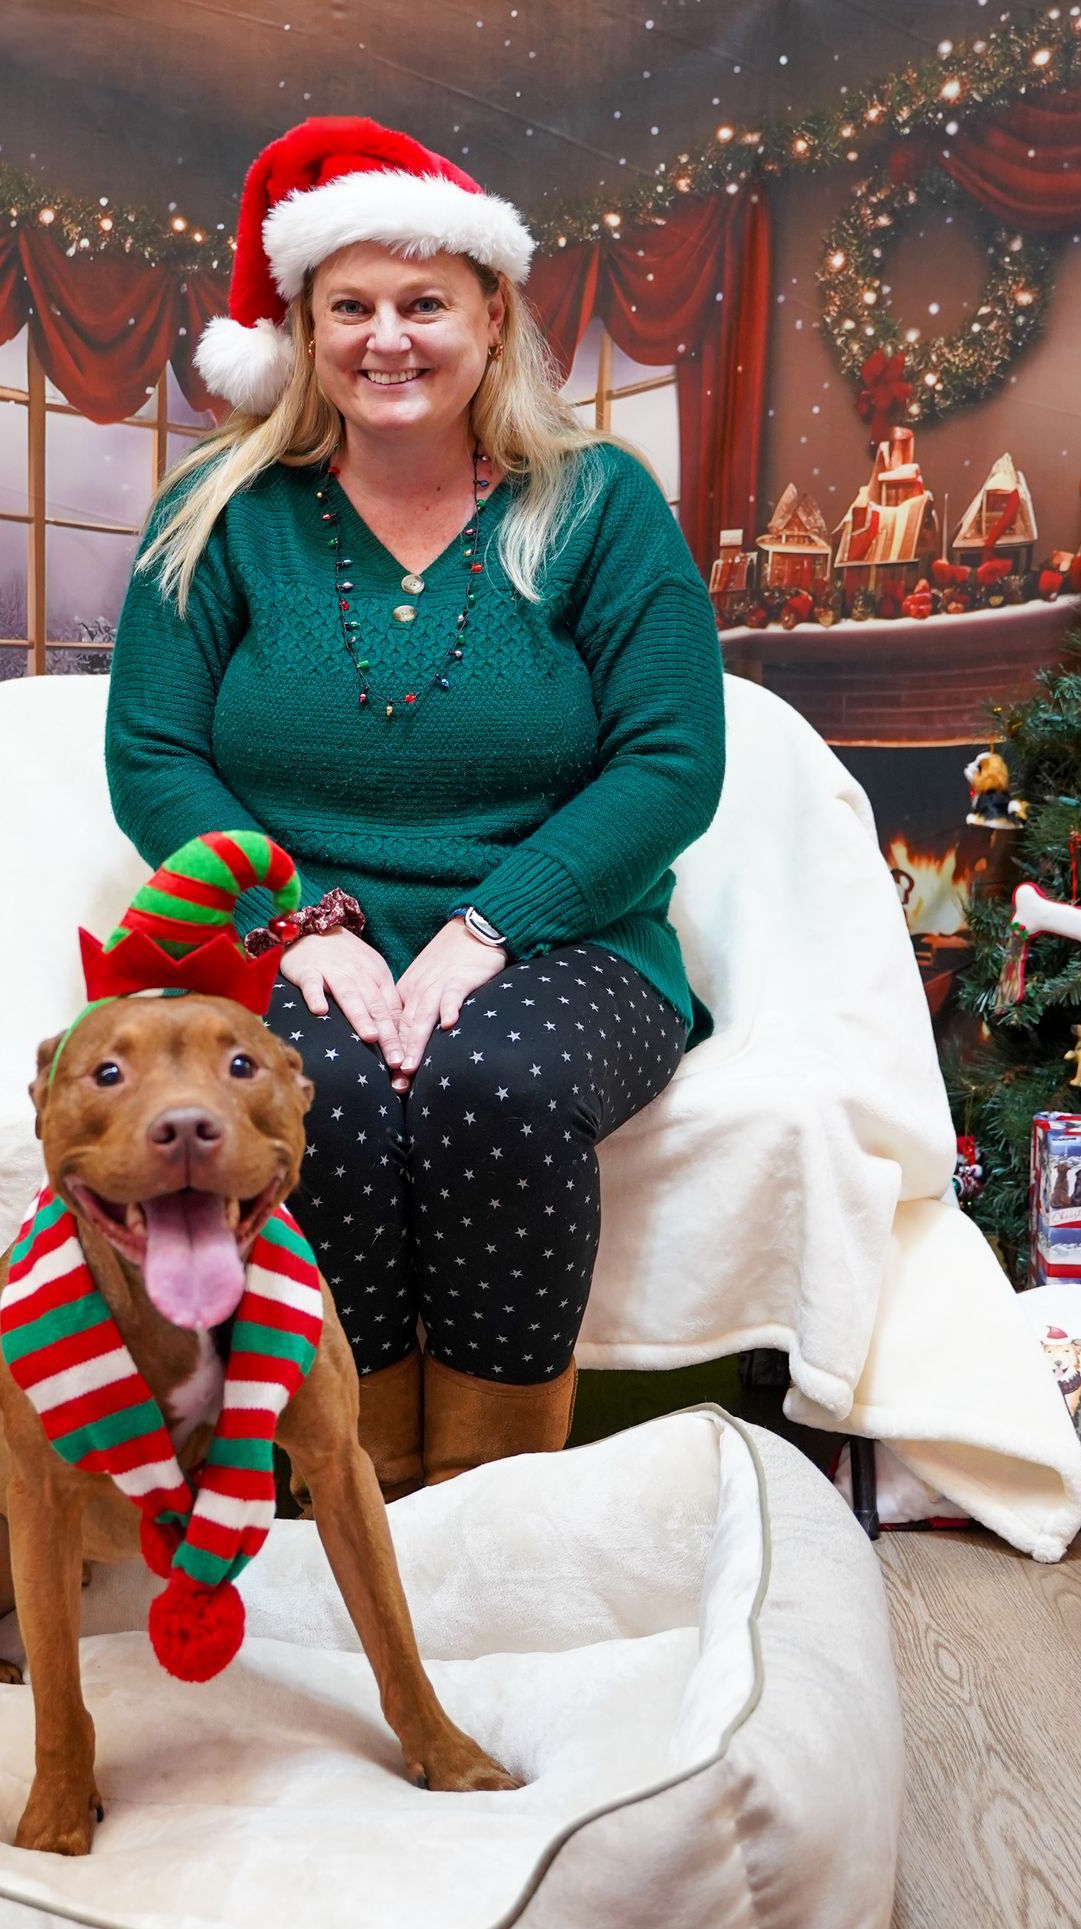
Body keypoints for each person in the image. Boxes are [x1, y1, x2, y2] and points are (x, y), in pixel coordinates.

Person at [104, 115, 724, 1495]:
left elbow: (672, 762)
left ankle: (498, 1507)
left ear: (492, 317)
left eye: (426, 302)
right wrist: (300, 921)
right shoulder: (217, 512)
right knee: (316, 1094)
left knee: (490, 1082)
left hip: (565, 941)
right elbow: (153, 756)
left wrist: (492, 927)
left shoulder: (598, 506)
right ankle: (360, 1491)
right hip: (286, 933)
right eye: (352, 307)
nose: (390, 337)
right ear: (306, 327)